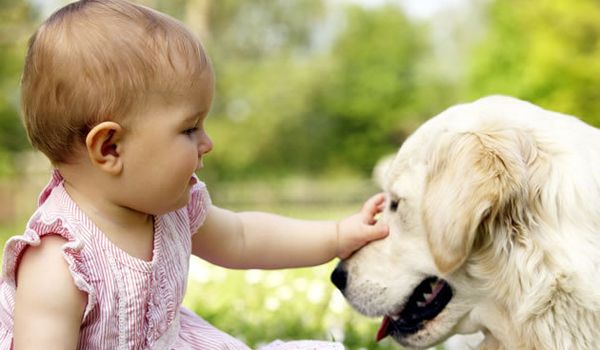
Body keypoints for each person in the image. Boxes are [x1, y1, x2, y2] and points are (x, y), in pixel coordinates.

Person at [0, 1, 389, 349]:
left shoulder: (172, 207)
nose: (207, 143)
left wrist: (337, 235)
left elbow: (244, 237)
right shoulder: (59, 261)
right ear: (110, 148)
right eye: (190, 129)